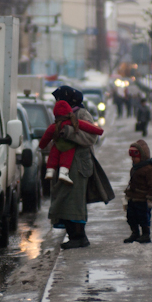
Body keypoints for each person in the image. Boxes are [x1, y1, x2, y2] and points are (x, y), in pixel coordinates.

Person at [47, 85, 114, 249]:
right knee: (65, 200)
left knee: (75, 202)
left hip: (78, 166)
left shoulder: (81, 114)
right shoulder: (65, 114)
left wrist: (68, 132)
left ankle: (79, 237)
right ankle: (73, 235)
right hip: (67, 166)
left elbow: (91, 137)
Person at [38, 100, 104, 185]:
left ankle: (50, 171)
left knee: (53, 155)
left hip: (57, 145)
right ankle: (63, 173)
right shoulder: (74, 122)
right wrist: (99, 131)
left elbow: (45, 138)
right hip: (69, 146)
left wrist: (41, 146)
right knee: (67, 157)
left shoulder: (53, 126)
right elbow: (88, 127)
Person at [123, 140, 152, 244]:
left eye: (135, 157)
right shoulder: (135, 168)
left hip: (142, 199)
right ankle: (135, 232)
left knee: (143, 217)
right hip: (133, 197)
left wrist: (150, 198)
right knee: (131, 216)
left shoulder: (148, 169)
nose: (133, 160)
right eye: (132, 158)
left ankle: (145, 234)